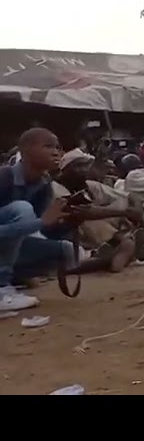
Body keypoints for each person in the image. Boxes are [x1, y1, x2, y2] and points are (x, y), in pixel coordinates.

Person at [0, 128, 69, 311]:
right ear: (26, 150)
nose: (56, 152)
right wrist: (42, 222)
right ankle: (1, 289)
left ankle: (13, 278)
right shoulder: (4, 178)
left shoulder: (43, 184)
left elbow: (40, 229)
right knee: (22, 208)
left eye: (57, 147)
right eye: (48, 146)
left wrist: (66, 220)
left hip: (7, 245)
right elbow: (38, 223)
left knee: (66, 251)